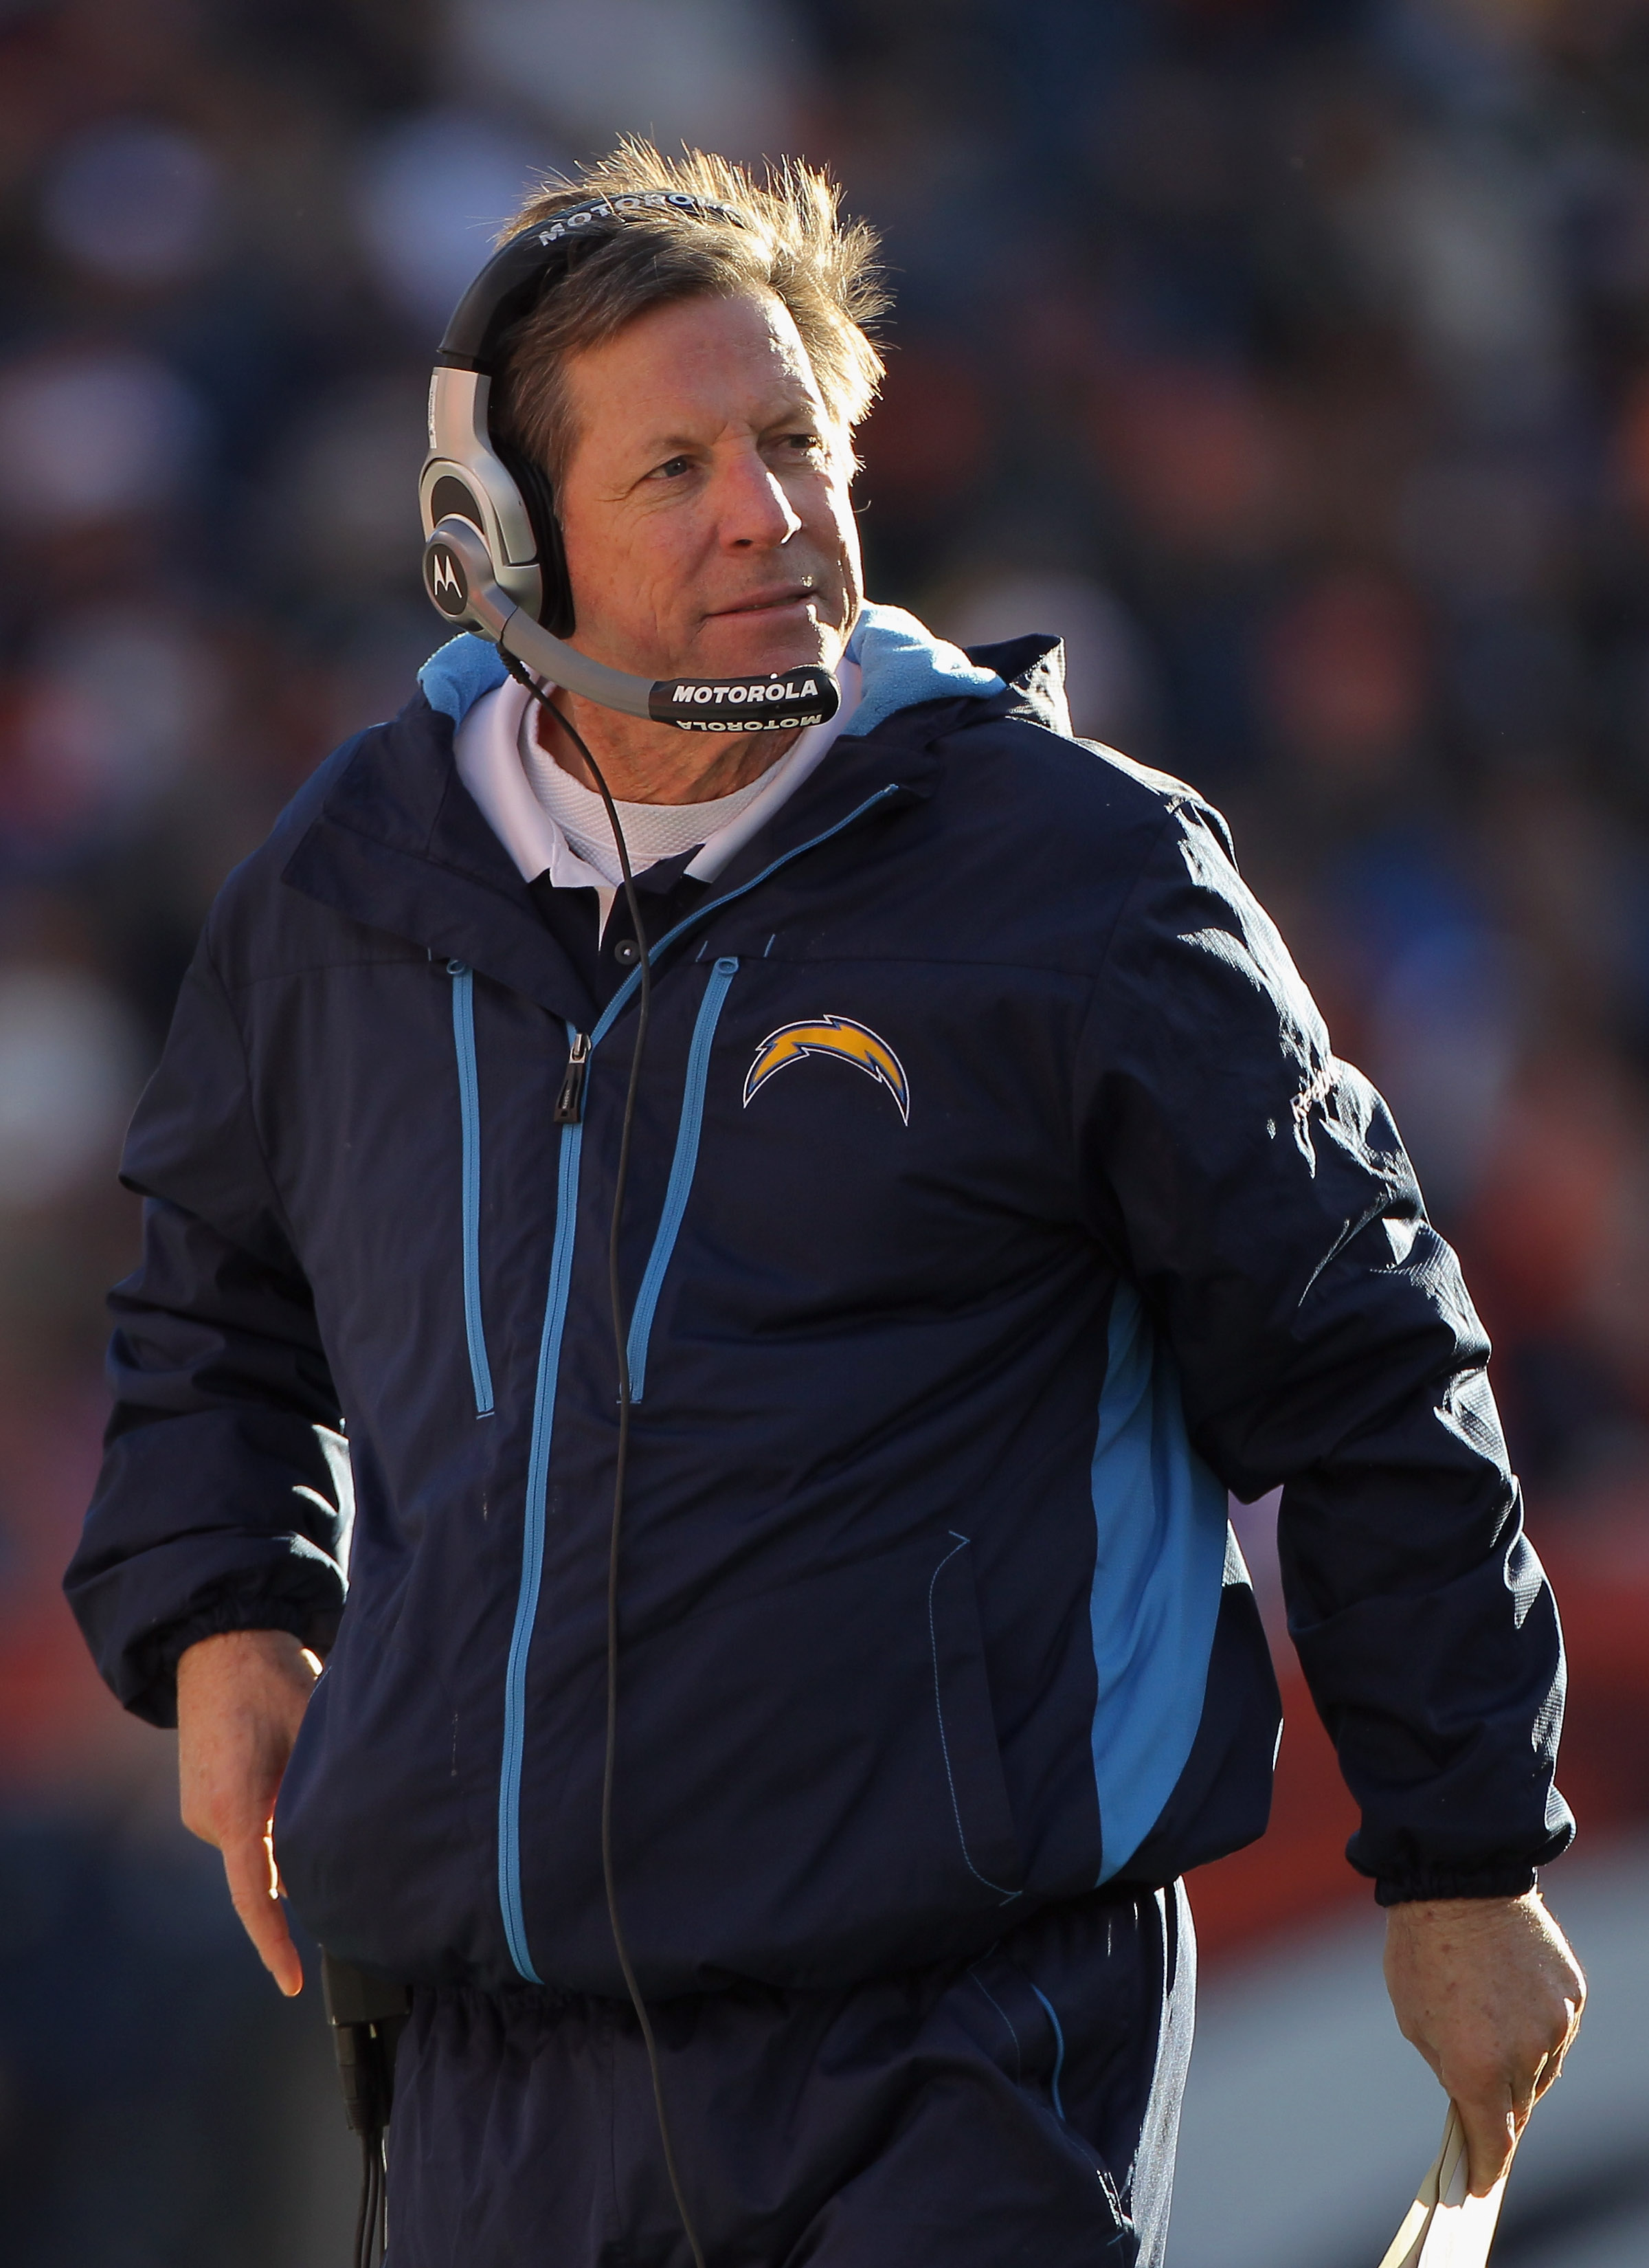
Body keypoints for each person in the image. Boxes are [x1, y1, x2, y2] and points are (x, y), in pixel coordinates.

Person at [65, 142, 1584, 2267]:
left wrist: (1460, 1856)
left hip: (965, 2045)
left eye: (793, 439)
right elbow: (212, 1292)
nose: (767, 512)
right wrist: (229, 1605)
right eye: (675, 465)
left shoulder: (1083, 876)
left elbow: (1360, 1355)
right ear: (496, 539)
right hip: (499, 2072)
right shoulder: (349, 879)